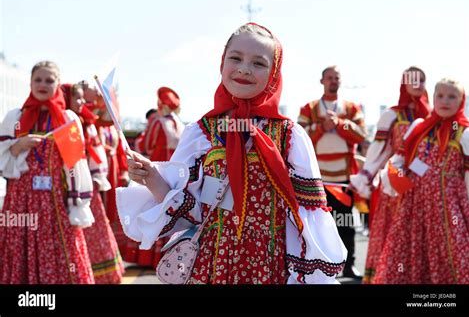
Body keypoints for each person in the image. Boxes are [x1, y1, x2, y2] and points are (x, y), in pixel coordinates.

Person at [118, 23, 347, 284]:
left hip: (268, 267)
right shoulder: (201, 133)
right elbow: (192, 212)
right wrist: (151, 177)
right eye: (235, 58)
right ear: (222, 63)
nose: (244, 69)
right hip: (210, 265)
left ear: (274, 74)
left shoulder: (289, 137)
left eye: (258, 63)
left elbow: (308, 218)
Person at [0, 61, 94, 283]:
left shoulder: (68, 119)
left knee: (62, 249)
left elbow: (76, 165)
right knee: (19, 246)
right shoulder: (15, 117)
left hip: (55, 200)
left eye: (49, 80)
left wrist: (77, 204)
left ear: (58, 84)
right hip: (20, 199)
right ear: (30, 83)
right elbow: (2, 156)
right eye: (38, 80)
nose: (43, 84)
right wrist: (19, 144)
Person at [374, 78, 469, 284]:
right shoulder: (420, 127)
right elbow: (399, 159)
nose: (445, 101)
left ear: (462, 101)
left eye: (452, 96)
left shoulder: (466, 133)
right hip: (414, 203)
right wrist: (397, 175)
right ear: (433, 97)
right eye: (440, 96)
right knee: (408, 250)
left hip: (449, 206)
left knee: (453, 249)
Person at [349, 66, 431, 283]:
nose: (417, 83)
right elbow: (379, 150)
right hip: (396, 181)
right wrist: (364, 177)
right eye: (412, 79)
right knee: (393, 230)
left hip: (426, 184)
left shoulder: (433, 115)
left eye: (421, 79)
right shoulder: (392, 114)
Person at [298, 66, 367, 279]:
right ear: (321, 81)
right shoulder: (308, 108)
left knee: (346, 223)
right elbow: (300, 138)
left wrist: (341, 125)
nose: (333, 81)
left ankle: (349, 265)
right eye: (329, 78)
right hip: (317, 178)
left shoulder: (352, 108)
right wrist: (322, 126)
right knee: (316, 224)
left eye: (336, 78)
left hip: (344, 178)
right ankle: (317, 266)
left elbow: (362, 135)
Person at [61, 83, 124, 283]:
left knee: (95, 227)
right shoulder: (67, 123)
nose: (82, 103)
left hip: (88, 182)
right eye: (77, 98)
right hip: (72, 183)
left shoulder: (87, 122)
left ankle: (97, 273)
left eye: (83, 98)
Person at [123, 88, 183, 268]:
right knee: (169, 210)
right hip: (174, 175)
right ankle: (167, 254)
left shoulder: (157, 123)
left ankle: (147, 256)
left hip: (155, 172)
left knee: (150, 209)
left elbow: (146, 144)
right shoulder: (179, 123)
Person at [95, 93, 130, 254]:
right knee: (101, 203)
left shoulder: (112, 128)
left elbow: (121, 151)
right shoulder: (94, 125)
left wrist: (123, 171)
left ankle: (113, 245)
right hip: (100, 167)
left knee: (114, 205)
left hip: (113, 168)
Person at [143, 87, 184, 162]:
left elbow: (149, 145)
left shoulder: (158, 122)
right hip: (177, 159)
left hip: (159, 158)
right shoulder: (179, 122)